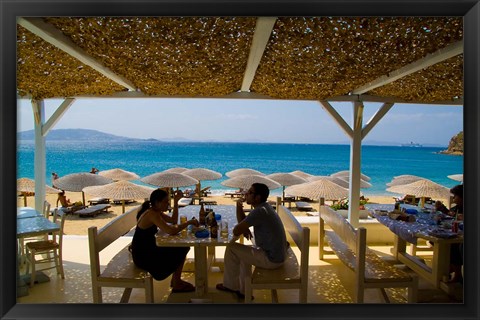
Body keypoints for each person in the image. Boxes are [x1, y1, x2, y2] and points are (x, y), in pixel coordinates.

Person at [216, 183, 288, 299]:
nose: (246, 194)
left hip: (272, 259)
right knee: (244, 253)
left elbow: (237, 229)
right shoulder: (264, 208)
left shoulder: (259, 211)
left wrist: (243, 223)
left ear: (257, 197)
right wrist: (243, 221)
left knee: (231, 248)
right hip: (278, 255)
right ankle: (244, 292)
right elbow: (244, 223)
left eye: (249, 192)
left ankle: (231, 286)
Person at [131, 188, 199, 292]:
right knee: (181, 248)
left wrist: (176, 202)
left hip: (143, 251)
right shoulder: (152, 214)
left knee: (180, 247)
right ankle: (177, 283)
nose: (168, 204)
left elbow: (173, 220)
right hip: (143, 256)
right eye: (165, 201)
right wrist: (189, 222)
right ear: (157, 203)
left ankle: (176, 281)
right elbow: (171, 230)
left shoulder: (154, 211)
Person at [448, 184, 463, 283]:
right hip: (458, 233)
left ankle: (456, 273)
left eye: (455, 196)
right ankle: (449, 267)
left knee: (453, 245)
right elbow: (449, 215)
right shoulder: (456, 208)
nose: (453, 198)